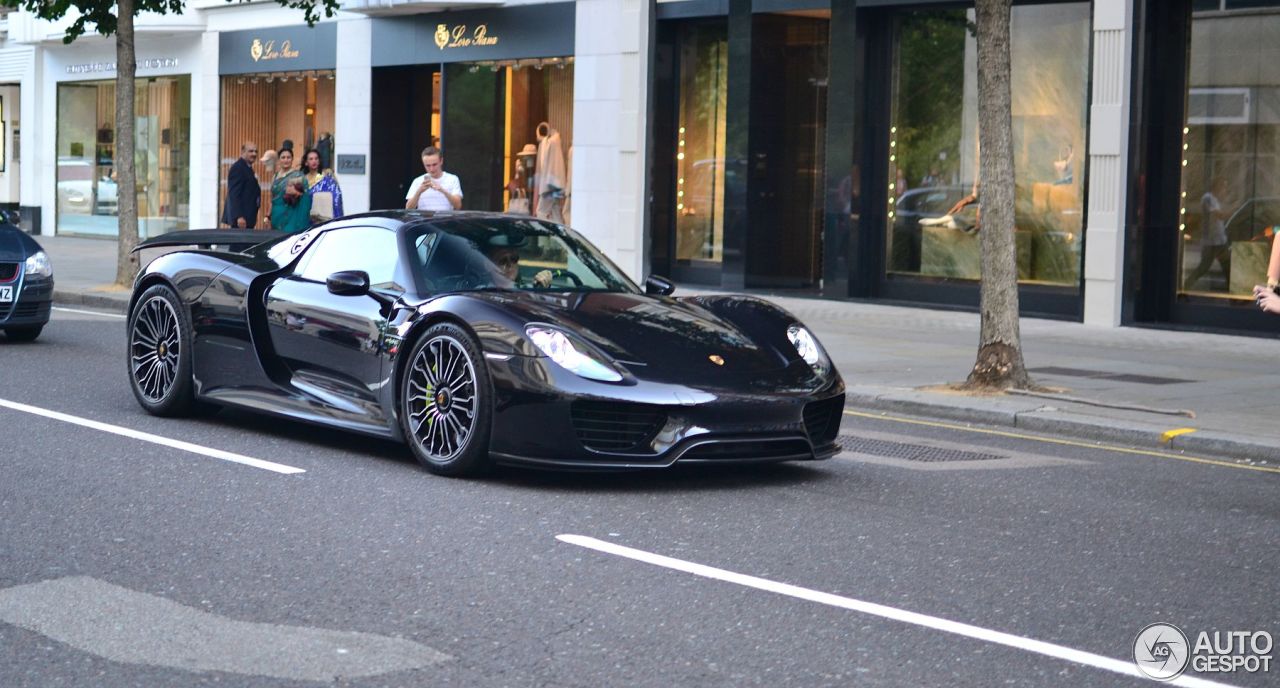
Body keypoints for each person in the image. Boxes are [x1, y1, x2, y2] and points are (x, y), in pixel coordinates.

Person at [1184, 178, 1231, 290]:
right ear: (1217, 187)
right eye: (1223, 187)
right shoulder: (1208, 198)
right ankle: (1186, 285)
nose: (1225, 190)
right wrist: (1231, 212)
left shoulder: (1214, 199)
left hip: (1219, 240)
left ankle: (1231, 290)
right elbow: (1218, 215)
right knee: (1205, 266)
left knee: (1226, 266)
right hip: (1211, 241)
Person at [406, 146, 462, 211]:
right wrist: (419, 192)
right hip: (424, 221)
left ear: (441, 161)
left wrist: (442, 190)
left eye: (434, 164)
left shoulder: (452, 179)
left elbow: (458, 206)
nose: (431, 169)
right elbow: (408, 209)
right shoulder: (417, 181)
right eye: (428, 165)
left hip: (445, 220)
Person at [264, 148, 308, 232]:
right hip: (276, 216)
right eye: (283, 157)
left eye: (288, 157)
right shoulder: (275, 176)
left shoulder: (298, 176)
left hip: (291, 215)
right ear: (279, 159)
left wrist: (295, 193)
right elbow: (271, 199)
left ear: (292, 159)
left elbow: (306, 196)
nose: (286, 160)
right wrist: (267, 216)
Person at [484, 236, 552, 288]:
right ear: (488, 265)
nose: (510, 264)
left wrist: (544, 284)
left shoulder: (530, 290)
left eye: (514, 259)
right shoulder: (479, 294)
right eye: (503, 260)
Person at [221, 141, 260, 228]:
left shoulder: (247, 168)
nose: (254, 154)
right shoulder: (238, 168)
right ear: (242, 152)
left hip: (247, 219)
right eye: (250, 151)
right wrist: (239, 216)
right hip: (241, 221)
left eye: (256, 151)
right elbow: (234, 194)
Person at [301, 148, 343, 225]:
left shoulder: (327, 176)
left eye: (316, 159)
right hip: (307, 219)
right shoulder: (302, 179)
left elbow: (337, 197)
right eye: (311, 159)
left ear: (319, 161)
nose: (314, 161)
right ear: (306, 162)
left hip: (326, 219)